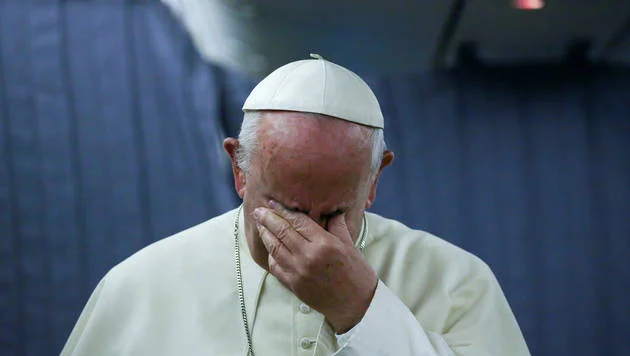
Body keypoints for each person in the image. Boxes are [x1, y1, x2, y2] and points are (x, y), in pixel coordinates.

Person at [61, 55, 530, 355]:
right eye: (286, 209)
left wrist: (361, 309)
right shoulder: (141, 285)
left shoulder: (456, 282)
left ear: (374, 179)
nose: (310, 239)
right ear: (239, 170)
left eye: (332, 215)